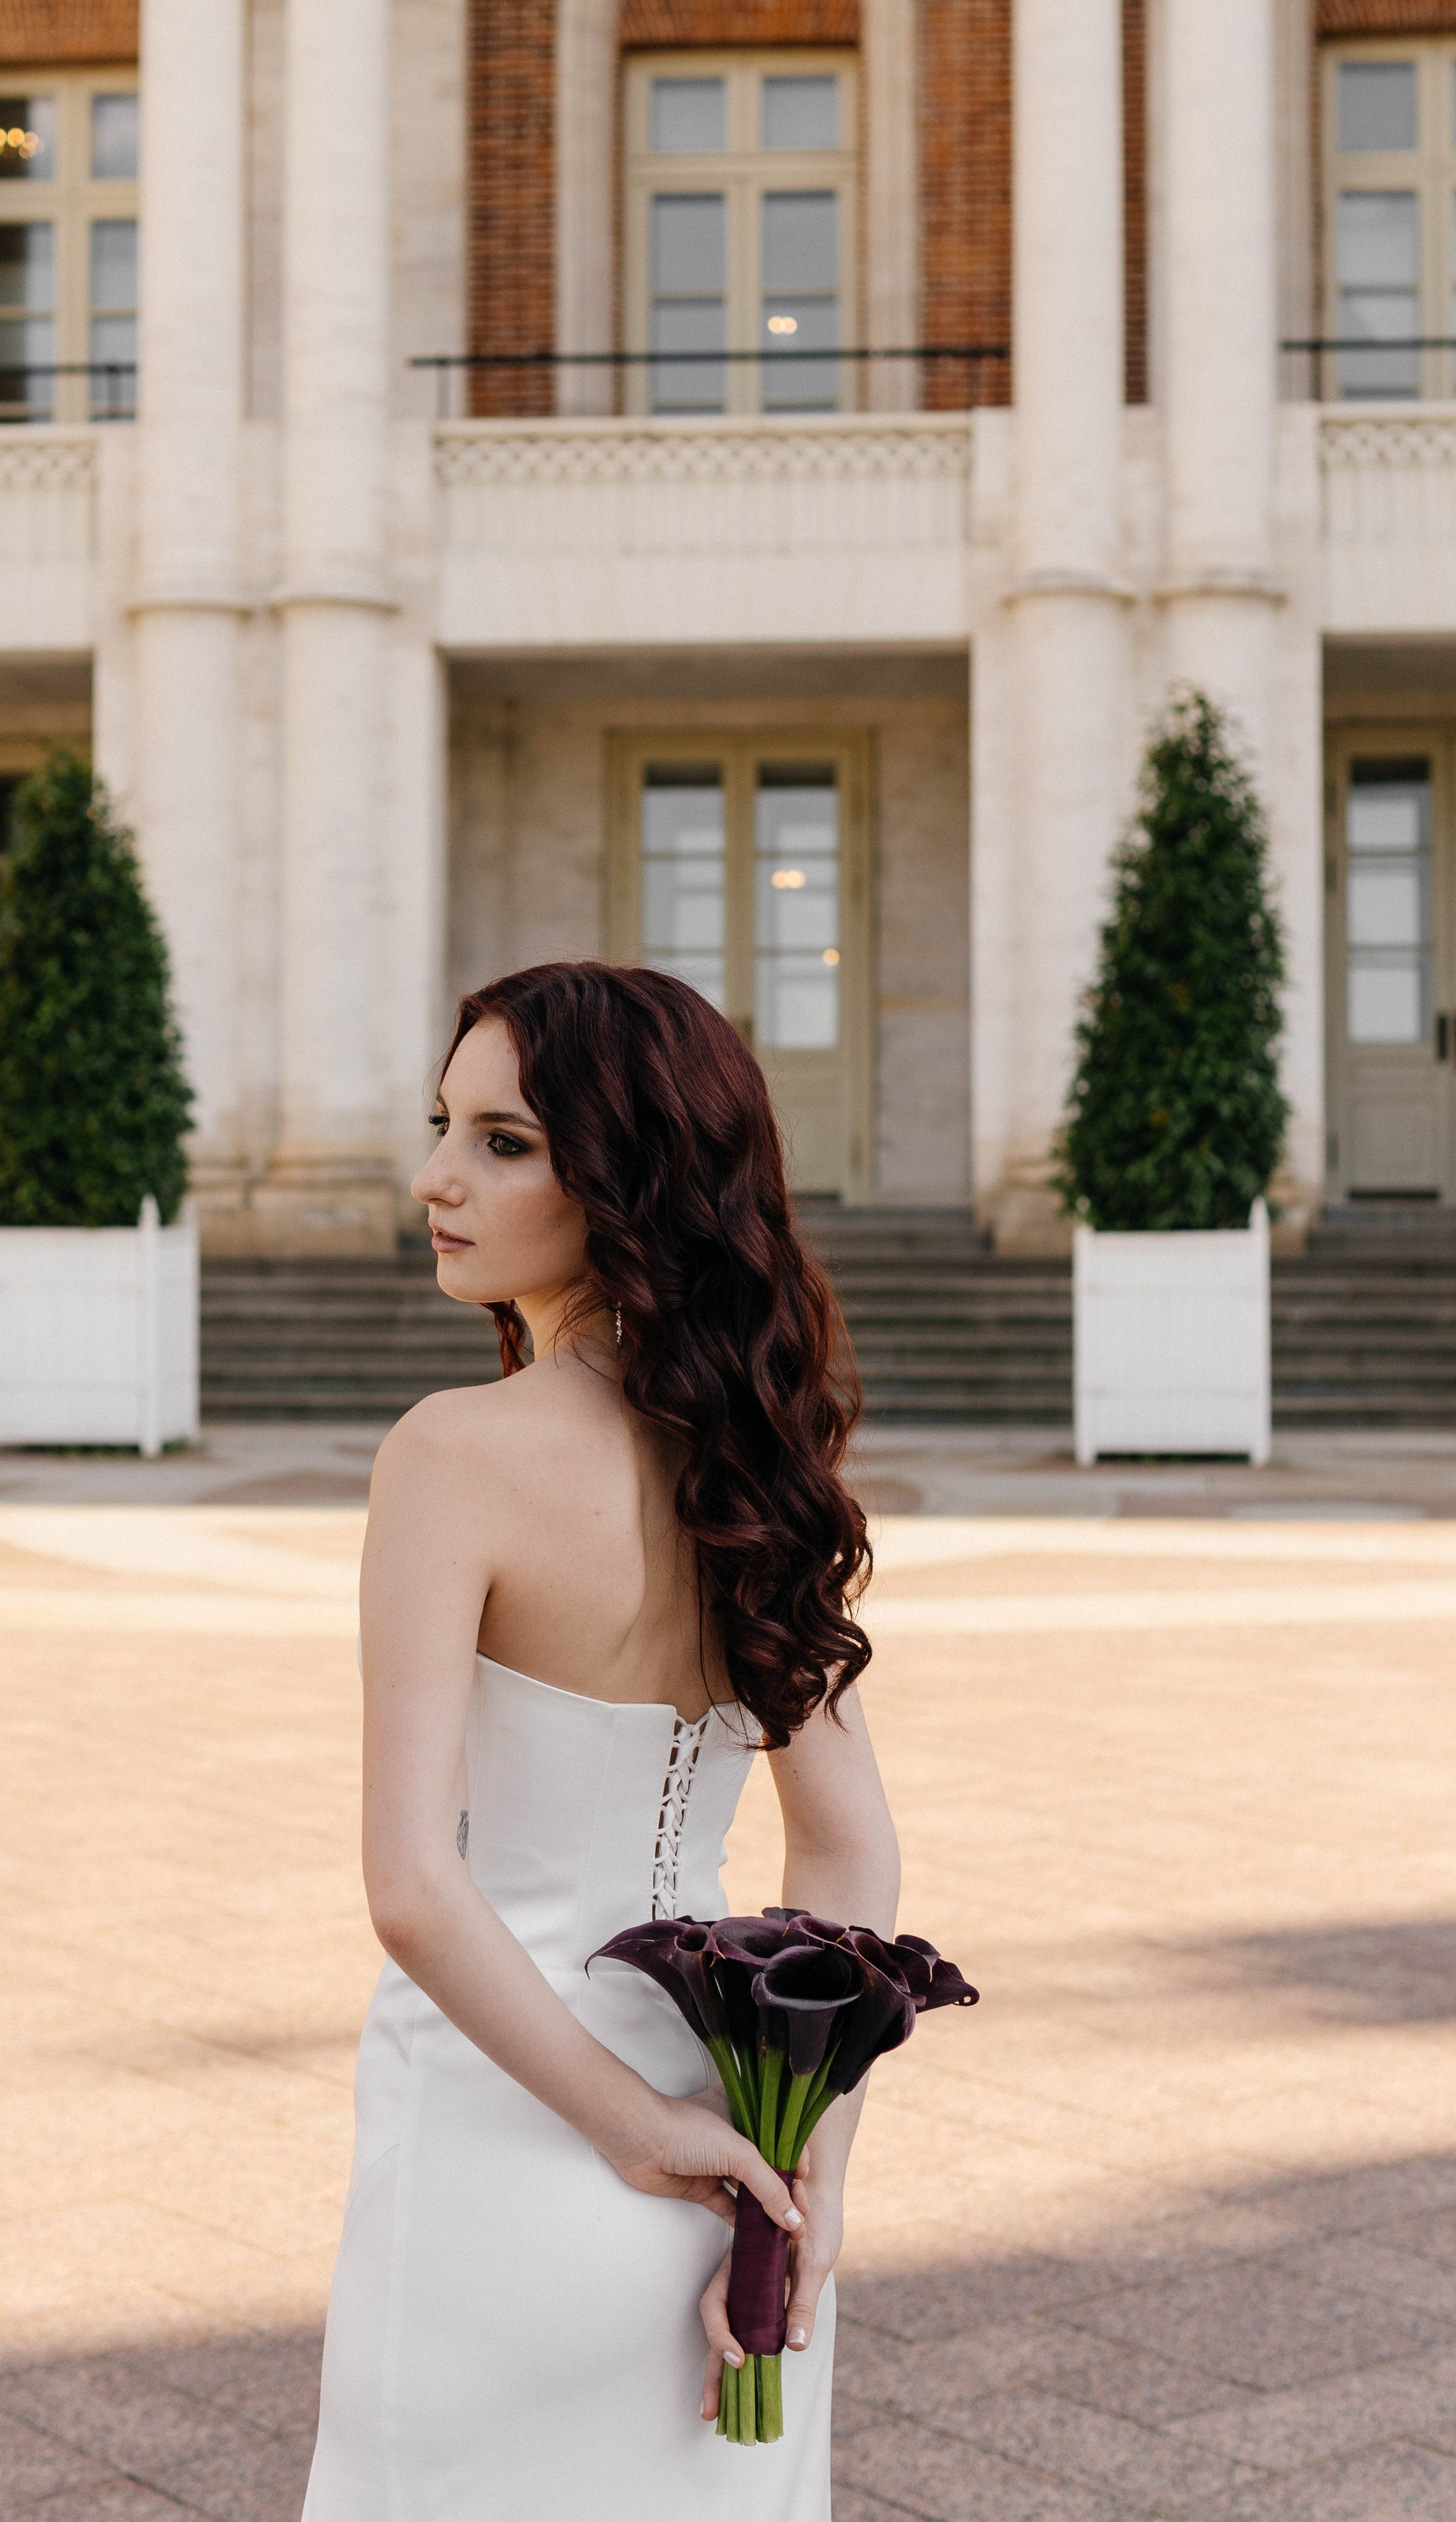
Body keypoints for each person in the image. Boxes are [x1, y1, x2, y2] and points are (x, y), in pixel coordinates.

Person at [301, 961, 902, 2521]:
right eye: (443, 1127)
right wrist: (805, 2159)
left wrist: (631, 2130)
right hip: (732, 2144)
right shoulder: (754, 1462)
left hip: (517, 2116)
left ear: (625, 1177)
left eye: (503, 1141)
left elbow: (416, 1890)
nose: (436, 1177)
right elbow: (844, 1844)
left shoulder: (453, 1453)